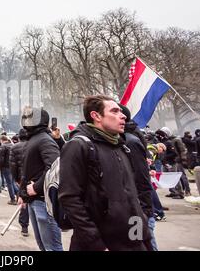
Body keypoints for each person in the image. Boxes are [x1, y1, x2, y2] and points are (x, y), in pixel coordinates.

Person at [58, 95, 151, 251]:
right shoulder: (78, 146)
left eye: (121, 112)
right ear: (96, 116)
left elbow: (131, 199)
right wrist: (96, 244)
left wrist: (143, 239)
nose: (123, 116)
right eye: (114, 111)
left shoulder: (121, 146)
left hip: (132, 240)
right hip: (99, 244)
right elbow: (69, 198)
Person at [19, 106, 63, 251]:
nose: (26, 121)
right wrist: (23, 194)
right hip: (34, 200)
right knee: (43, 246)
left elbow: (55, 168)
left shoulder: (44, 140)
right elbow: (28, 171)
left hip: (44, 201)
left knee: (52, 248)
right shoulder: (34, 139)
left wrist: (36, 187)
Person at [119, 104, 156, 250]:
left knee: (142, 245)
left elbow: (141, 178)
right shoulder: (121, 140)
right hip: (129, 207)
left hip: (138, 208)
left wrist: (145, 211)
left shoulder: (130, 142)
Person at [156, 127, 191, 198]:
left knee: (177, 177)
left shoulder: (173, 141)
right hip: (167, 162)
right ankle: (173, 191)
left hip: (174, 162)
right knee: (169, 178)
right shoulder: (163, 142)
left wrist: (183, 160)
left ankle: (181, 192)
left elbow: (179, 151)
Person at [10, 128, 30, 237]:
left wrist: (16, 179)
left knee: (24, 202)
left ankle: (24, 226)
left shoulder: (14, 147)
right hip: (33, 177)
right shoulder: (32, 145)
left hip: (22, 178)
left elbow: (13, 166)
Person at [0, 135, 18, 205]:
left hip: (6, 166)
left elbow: (1, 158)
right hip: (12, 166)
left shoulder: (3, 147)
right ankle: (19, 194)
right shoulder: (12, 145)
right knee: (12, 182)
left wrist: (0, 166)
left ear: (2, 140)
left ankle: (13, 199)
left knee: (9, 183)